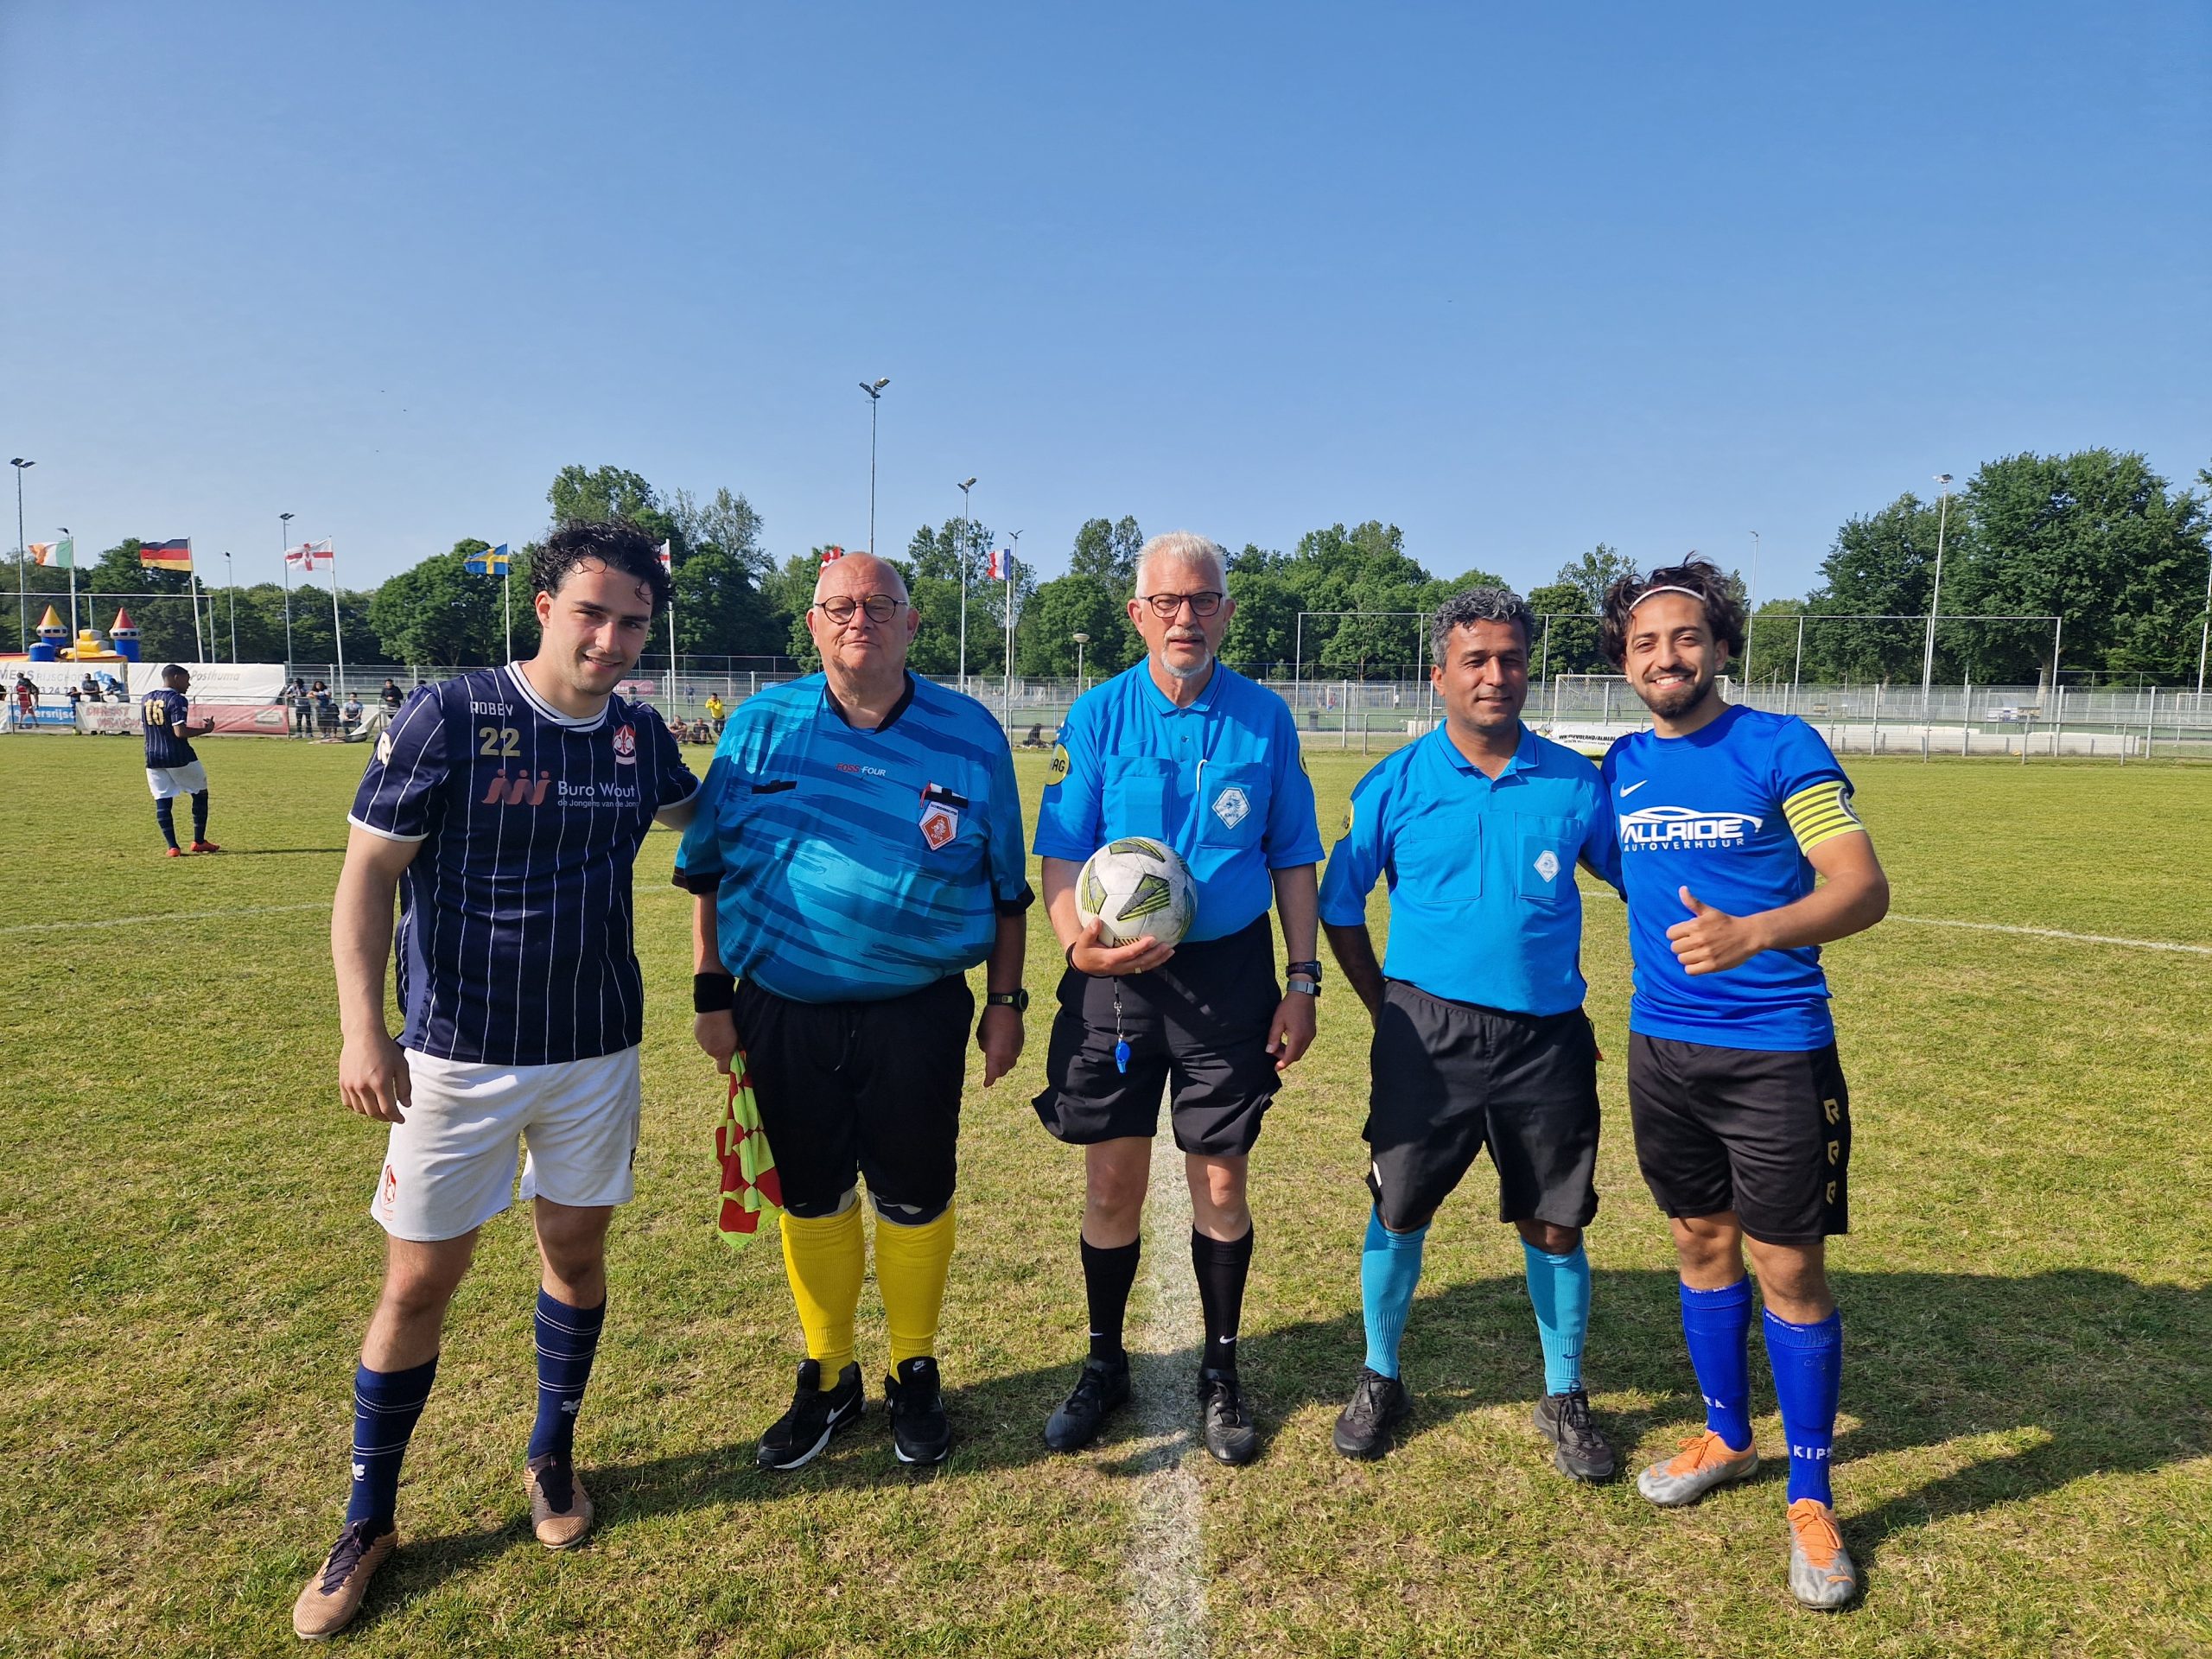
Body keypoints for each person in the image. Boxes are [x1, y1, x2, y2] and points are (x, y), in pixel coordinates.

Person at [293, 521, 699, 1641]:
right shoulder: (454, 715)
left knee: (574, 1254)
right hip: (455, 1057)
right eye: (593, 613)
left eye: (632, 622)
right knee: (419, 1283)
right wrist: (361, 1031)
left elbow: (702, 820)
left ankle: (551, 1457)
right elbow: (368, 877)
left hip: (595, 1051)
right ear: (544, 608)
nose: (612, 640)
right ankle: (370, 1518)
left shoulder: (637, 737)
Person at [677, 552, 1031, 1471]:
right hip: (780, 1009)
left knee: (915, 1191)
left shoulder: (969, 732)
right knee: (810, 1191)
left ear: (912, 623)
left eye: (880, 604)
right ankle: (828, 1373)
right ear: (812, 624)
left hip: (917, 1011)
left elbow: (1006, 893)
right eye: (840, 605)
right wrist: (712, 995)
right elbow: (705, 872)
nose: (859, 618)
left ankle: (914, 1366)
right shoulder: (759, 726)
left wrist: (1004, 1004)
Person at [1595, 558, 1888, 1611]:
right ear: (1622, 665)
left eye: (1683, 638)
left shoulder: (1781, 746)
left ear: (1719, 646)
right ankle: (1726, 1435)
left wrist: (1754, 931)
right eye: (1642, 644)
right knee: (1695, 1241)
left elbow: (1861, 887)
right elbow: (1591, 853)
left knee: (1786, 1266)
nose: (1663, 657)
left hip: (1773, 1049)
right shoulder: (1618, 769)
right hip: (1659, 1050)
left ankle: (1810, 1496)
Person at [1031, 531, 1323, 1465]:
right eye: (1167, 602)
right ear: (1138, 614)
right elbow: (1063, 854)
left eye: (1202, 601)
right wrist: (1074, 944)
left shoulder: (1264, 720)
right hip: (1115, 980)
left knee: (1221, 1177)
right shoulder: (1097, 715)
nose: (1185, 617)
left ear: (1227, 612)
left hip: (1229, 972)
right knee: (1111, 1180)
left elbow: (1291, 857)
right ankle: (1104, 1361)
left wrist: (1301, 980)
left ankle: (1221, 1369)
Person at [1318, 588, 1617, 1478]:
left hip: (1546, 1041)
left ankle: (1562, 1392)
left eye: (1511, 659)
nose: (1496, 675)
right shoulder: (1395, 782)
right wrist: (1385, 1008)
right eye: (1476, 660)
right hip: (1426, 1034)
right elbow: (1340, 904)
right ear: (1440, 675)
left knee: (1555, 1221)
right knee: (1399, 1209)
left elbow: (1638, 882)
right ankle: (1380, 1376)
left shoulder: (1574, 782)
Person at [141, 664, 219, 855]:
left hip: (152, 756)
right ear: (176, 678)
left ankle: (173, 847)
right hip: (177, 755)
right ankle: (199, 841)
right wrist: (206, 730)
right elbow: (180, 732)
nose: (189, 683)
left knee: (162, 799)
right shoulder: (177, 699)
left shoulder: (146, 698)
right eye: (187, 679)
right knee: (200, 793)